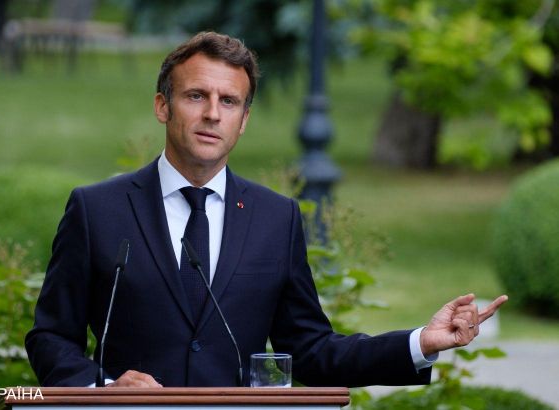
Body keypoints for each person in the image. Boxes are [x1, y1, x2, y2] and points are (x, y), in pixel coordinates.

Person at [25, 32, 507, 388]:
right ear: (162, 106)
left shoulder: (276, 218)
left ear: (244, 120)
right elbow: (50, 337)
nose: (213, 113)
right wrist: (106, 390)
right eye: (196, 96)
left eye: (229, 101)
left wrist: (420, 342)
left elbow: (311, 350)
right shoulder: (97, 209)